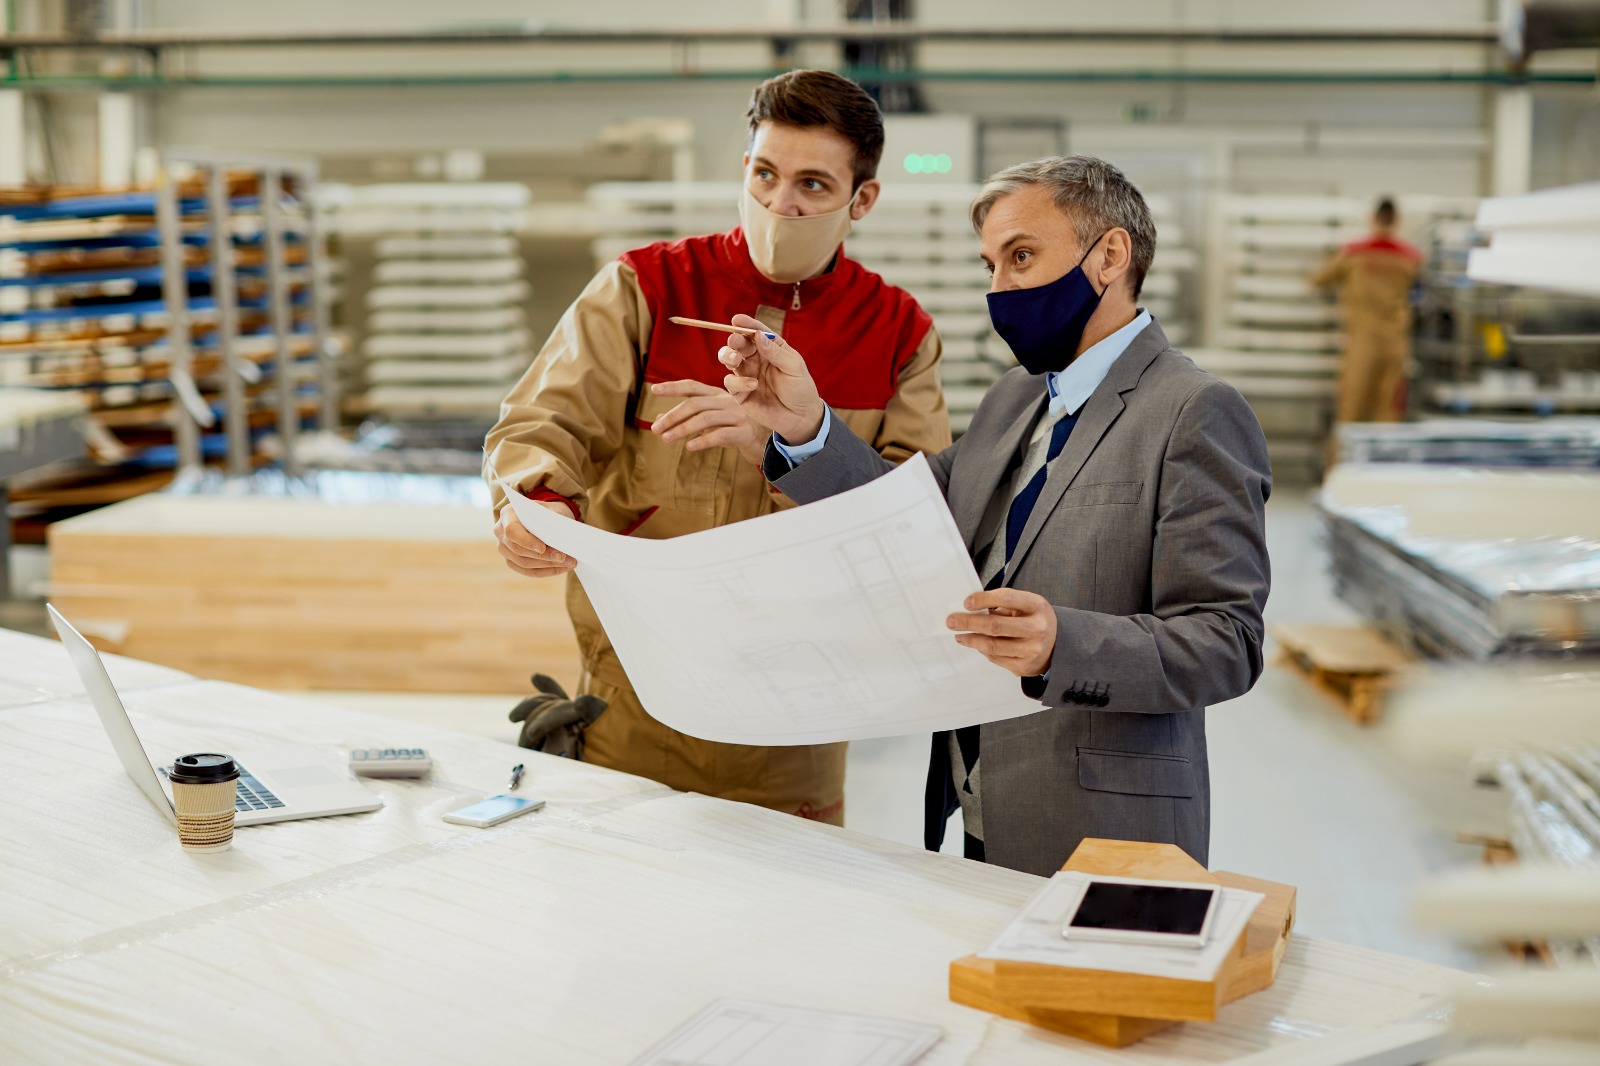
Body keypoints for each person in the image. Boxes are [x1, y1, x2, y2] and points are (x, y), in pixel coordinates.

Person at [717, 155, 1272, 876]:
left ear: (1109, 256)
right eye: (991, 267)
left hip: (1108, 827)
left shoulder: (1194, 412)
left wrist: (1061, 645)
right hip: (982, 805)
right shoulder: (1014, 399)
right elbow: (905, 516)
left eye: (1021, 257)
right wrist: (804, 426)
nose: (1001, 288)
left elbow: (1226, 641)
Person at [484, 70, 951, 827]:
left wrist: (797, 442)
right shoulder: (646, 287)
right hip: (635, 693)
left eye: (811, 185)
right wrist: (534, 503)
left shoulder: (896, 332)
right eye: (765, 174)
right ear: (743, 168)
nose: (780, 205)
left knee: (781, 925)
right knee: (625, 911)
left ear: (861, 201)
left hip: (796, 716)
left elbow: (913, 521)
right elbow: (545, 424)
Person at [1311, 197, 1422, 431]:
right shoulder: (1411, 257)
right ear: (1398, 221)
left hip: (1363, 343)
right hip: (1395, 344)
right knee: (1388, 412)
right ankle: (1384, 466)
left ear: (1372, 218)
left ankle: (1343, 464)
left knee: (1352, 410)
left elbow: (1319, 280)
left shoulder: (1353, 254)